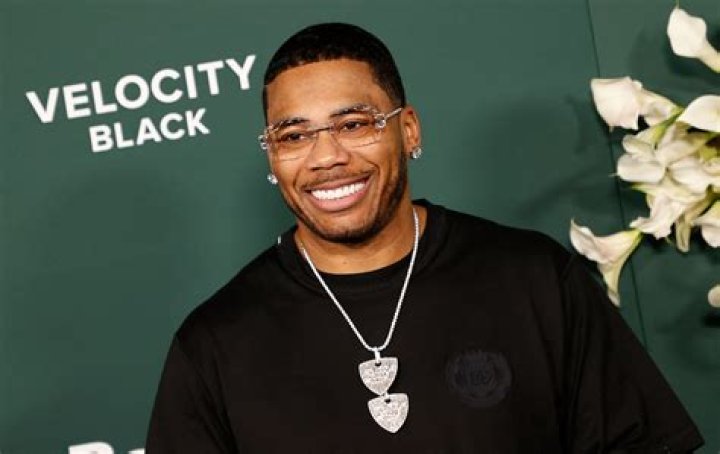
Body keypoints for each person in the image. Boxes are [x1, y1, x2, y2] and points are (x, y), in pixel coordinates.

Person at [146, 23, 704, 453]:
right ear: (273, 155)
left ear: (408, 129)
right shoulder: (214, 344)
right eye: (294, 136)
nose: (326, 157)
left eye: (353, 124)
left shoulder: (533, 278)